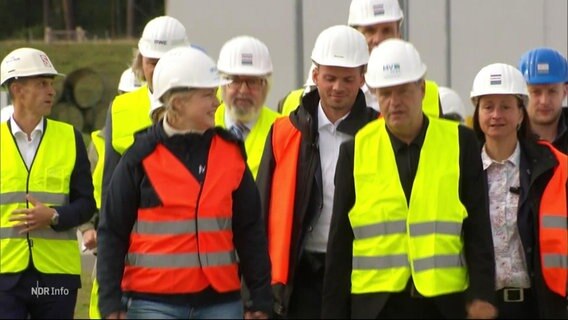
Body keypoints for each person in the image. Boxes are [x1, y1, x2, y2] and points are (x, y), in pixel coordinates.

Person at [322, 38, 497, 319]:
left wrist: (481, 295)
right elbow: (340, 243)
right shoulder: (355, 150)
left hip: (444, 304)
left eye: (403, 91)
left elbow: (478, 229)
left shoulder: (460, 142)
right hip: (376, 307)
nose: (394, 102)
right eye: (386, 93)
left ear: (422, 89)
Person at [96, 45, 272, 319]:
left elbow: (250, 232)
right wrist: (110, 303)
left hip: (221, 303)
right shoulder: (139, 158)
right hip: (151, 304)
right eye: (207, 95)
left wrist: (260, 299)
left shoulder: (231, 153)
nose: (217, 102)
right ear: (178, 103)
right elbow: (112, 231)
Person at [256, 25, 378, 318]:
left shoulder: (379, 133)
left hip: (359, 275)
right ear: (315, 76)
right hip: (298, 278)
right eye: (330, 78)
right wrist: (256, 293)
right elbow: (260, 214)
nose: (338, 87)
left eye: (348, 79)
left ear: (363, 78)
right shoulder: (283, 133)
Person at [0, 47, 96, 318]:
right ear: (18, 89)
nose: (52, 91)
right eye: (42, 84)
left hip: (56, 277)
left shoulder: (70, 137)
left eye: (51, 84)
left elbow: (86, 204)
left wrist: (54, 215)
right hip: (5, 276)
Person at [470, 62, 568, 319]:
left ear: (521, 113)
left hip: (538, 306)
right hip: (480, 308)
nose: (496, 115)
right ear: (477, 113)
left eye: (505, 106)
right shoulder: (460, 169)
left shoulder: (552, 167)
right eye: (488, 106)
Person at [102, 15, 189, 208]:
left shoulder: (209, 105)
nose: (160, 70)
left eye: (168, 61)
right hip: (137, 232)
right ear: (141, 62)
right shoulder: (120, 108)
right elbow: (110, 184)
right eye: (153, 62)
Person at [348, 0, 443, 117]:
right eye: (370, 31)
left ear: (399, 34)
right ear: (353, 37)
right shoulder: (340, 93)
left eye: (386, 30)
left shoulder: (429, 92)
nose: (378, 39)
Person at [214, 35, 280, 179]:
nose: (243, 90)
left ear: (267, 86)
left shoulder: (284, 131)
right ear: (221, 85)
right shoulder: (202, 127)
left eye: (253, 82)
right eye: (235, 80)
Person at [518, 47, 568, 152]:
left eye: (552, 91)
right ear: (521, 95)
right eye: (536, 92)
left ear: (565, 92)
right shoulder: (508, 138)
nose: (544, 101)